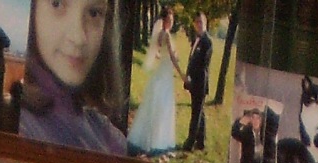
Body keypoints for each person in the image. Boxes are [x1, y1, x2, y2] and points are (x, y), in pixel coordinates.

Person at [18, 0, 125, 153]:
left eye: (94, 13)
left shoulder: (107, 135)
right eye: (57, 4)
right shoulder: (17, 127)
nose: (78, 38)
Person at [126, 3, 182, 154]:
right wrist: (181, 74)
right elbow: (171, 56)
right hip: (165, 73)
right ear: (164, 21)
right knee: (163, 105)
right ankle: (158, 140)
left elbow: (157, 52)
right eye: (169, 20)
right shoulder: (167, 35)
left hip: (162, 71)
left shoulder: (159, 35)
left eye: (172, 20)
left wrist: (165, 56)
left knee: (156, 103)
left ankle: (148, 137)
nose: (171, 22)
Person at [182, 5, 210, 150]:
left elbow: (202, 65)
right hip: (193, 81)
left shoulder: (207, 42)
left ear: (205, 23)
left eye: (201, 22)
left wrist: (192, 78)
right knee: (199, 111)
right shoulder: (196, 39)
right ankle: (201, 142)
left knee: (196, 114)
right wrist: (187, 75)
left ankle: (189, 142)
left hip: (200, 82)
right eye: (197, 22)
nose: (199, 24)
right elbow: (191, 60)